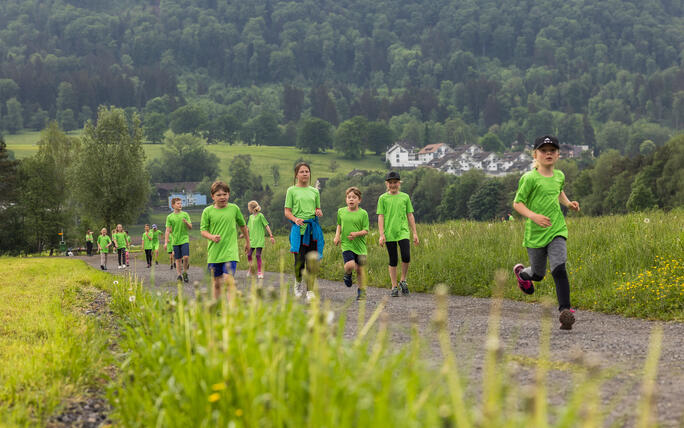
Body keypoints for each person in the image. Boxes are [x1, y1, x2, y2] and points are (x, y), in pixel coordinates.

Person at [512, 135, 580, 331]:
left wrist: (568, 203)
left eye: (552, 150)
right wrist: (533, 216)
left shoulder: (559, 176)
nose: (548, 154)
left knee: (559, 268)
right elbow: (517, 203)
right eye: (544, 150)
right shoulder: (529, 178)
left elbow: (558, 191)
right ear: (535, 154)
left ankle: (565, 312)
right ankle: (522, 273)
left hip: (556, 229)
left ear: (558, 154)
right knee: (539, 274)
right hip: (535, 234)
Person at [200, 181, 250, 300]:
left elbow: (243, 226)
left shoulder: (234, 209)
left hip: (230, 251)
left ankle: (231, 311)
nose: (222, 197)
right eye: (218, 195)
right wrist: (212, 237)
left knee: (228, 280)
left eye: (225, 194)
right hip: (214, 253)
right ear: (212, 196)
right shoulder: (207, 211)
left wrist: (248, 242)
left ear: (229, 194)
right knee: (216, 283)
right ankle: (215, 308)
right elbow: (203, 231)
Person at [284, 162, 324, 303]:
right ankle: (298, 283)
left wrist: (318, 212)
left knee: (311, 261)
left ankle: (310, 291)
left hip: (312, 229)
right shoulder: (291, 191)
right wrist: (295, 219)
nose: (305, 174)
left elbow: (317, 209)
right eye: (302, 172)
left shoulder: (314, 191)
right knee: (299, 261)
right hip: (298, 230)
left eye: (307, 171)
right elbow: (287, 211)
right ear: (296, 175)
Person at [377, 171, 419, 297]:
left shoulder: (405, 197)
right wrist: (381, 234)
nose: (393, 185)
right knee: (393, 259)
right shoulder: (383, 198)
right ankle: (394, 286)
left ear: (399, 183)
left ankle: (403, 280)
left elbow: (410, 215)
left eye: (395, 182)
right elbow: (381, 216)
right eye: (390, 183)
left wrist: (415, 233)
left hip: (403, 232)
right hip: (389, 233)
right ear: (387, 184)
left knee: (406, 256)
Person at [333, 187, 369, 301]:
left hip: (360, 246)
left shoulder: (363, 213)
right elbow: (339, 225)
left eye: (354, 197)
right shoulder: (341, 211)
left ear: (359, 200)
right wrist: (337, 236)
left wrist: (356, 234)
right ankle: (347, 274)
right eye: (349, 197)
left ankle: (361, 292)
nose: (351, 199)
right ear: (346, 199)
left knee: (360, 270)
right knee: (350, 265)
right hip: (346, 244)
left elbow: (366, 230)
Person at [165, 197, 192, 283]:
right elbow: (168, 230)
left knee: (186, 257)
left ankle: (185, 272)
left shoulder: (185, 214)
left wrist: (186, 222)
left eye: (181, 203)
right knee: (178, 259)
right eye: (178, 203)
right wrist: (166, 242)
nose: (180, 205)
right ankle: (179, 275)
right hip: (175, 241)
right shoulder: (170, 217)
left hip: (184, 239)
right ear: (173, 205)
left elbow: (190, 227)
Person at [246, 200, 275, 279]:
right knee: (249, 254)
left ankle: (259, 272)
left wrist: (271, 235)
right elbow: (248, 228)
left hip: (259, 239)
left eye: (248, 207)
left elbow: (266, 225)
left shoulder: (260, 215)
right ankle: (251, 269)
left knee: (258, 255)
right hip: (252, 239)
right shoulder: (250, 217)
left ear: (251, 208)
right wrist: (244, 234)